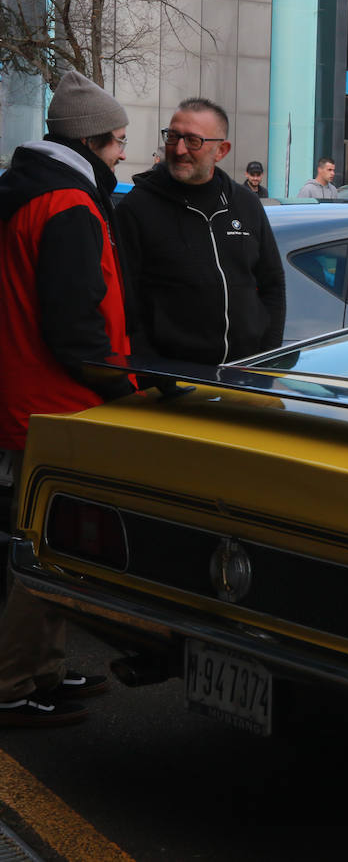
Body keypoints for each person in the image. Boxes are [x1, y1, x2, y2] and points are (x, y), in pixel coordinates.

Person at [0, 70, 132, 726]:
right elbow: (75, 326)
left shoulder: (23, 189)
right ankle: (17, 681)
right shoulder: (69, 205)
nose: (124, 154)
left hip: (23, 398)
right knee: (45, 546)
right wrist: (122, 385)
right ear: (91, 141)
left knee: (38, 540)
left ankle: (42, 670)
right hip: (55, 405)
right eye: (118, 142)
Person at [117, 97, 286, 365]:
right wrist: (153, 373)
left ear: (221, 150)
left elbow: (273, 284)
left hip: (247, 376)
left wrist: (267, 355)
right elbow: (126, 303)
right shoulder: (137, 209)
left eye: (193, 141)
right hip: (172, 382)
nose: (179, 149)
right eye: (173, 136)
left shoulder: (245, 204)